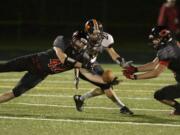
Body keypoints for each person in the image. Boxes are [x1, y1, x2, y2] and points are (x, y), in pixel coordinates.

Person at [0, 34, 93, 104]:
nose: (81, 45)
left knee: (15, 93)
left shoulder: (80, 57)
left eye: (84, 43)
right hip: (33, 61)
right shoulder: (62, 41)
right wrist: (84, 65)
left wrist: (76, 76)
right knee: (4, 67)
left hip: (40, 74)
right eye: (80, 41)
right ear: (74, 39)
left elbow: (76, 65)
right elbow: (63, 58)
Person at [73, 19, 134, 115]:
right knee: (106, 86)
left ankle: (80, 98)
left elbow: (112, 53)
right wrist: (76, 76)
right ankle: (122, 107)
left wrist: (122, 63)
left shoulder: (105, 37)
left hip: (93, 63)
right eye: (94, 34)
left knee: (104, 88)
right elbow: (76, 59)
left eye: (98, 33)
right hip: (83, 67)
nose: (97, 36)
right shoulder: (81, 39)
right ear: (87, 33)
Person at [123, 25, 180, 115]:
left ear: (164, 38)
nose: (154, 41)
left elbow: (156, 72)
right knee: (160, 95)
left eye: (156, 39)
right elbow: (153, 64)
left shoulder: (168, 50)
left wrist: (135, 77)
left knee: (160, 95)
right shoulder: (171, 44)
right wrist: (135, 69)